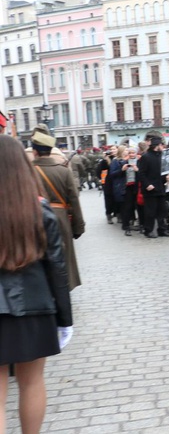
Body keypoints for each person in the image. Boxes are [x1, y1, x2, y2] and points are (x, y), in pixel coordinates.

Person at [0, 135, 73, 434]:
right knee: (32, 383)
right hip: (35, 306)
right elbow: (58, 267)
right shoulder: (39, 211)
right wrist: (65, 319)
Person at [31, 132, 86, 290]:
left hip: (36, 217)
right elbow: (74, 200)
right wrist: (78, 227)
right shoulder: (63, 171)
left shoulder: (29, 170)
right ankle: (64, 287)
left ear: (35, 151)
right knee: (64, 256)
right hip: (61, 218)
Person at [138, 136, 169, 238]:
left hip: (160, 187)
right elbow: (141, 173)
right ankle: (148, 230)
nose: (163, 147)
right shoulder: (146, 157)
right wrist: (147, 184)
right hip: (150, 189)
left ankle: (162, 229)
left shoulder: (162, 156)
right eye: (161, 145)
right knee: (150, 212)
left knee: (162, 210)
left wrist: (167, 178)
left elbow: (164, 171)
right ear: (157, 146)